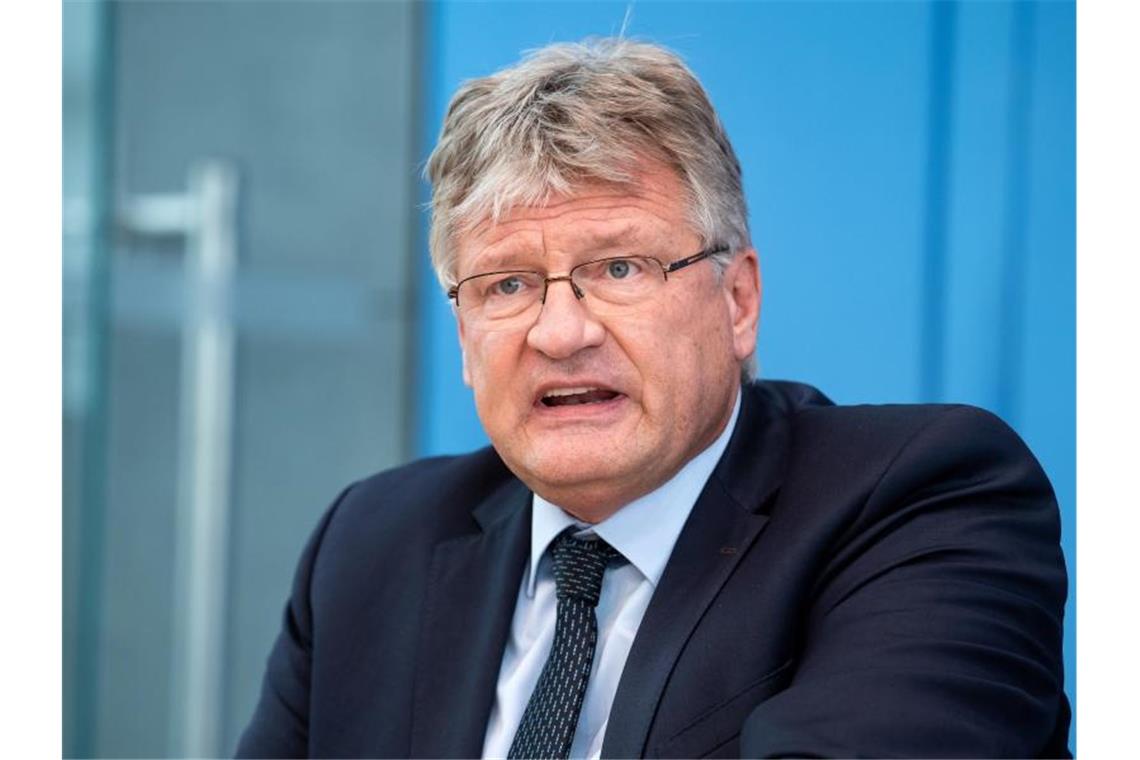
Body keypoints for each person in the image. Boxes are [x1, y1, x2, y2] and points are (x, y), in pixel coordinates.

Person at [236, 38, 1070, 759]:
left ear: (737, 302)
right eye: (508, 284)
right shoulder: (371, 545)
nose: (560, 332)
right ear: (462, 335)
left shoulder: (925, 498)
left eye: (620, 269)